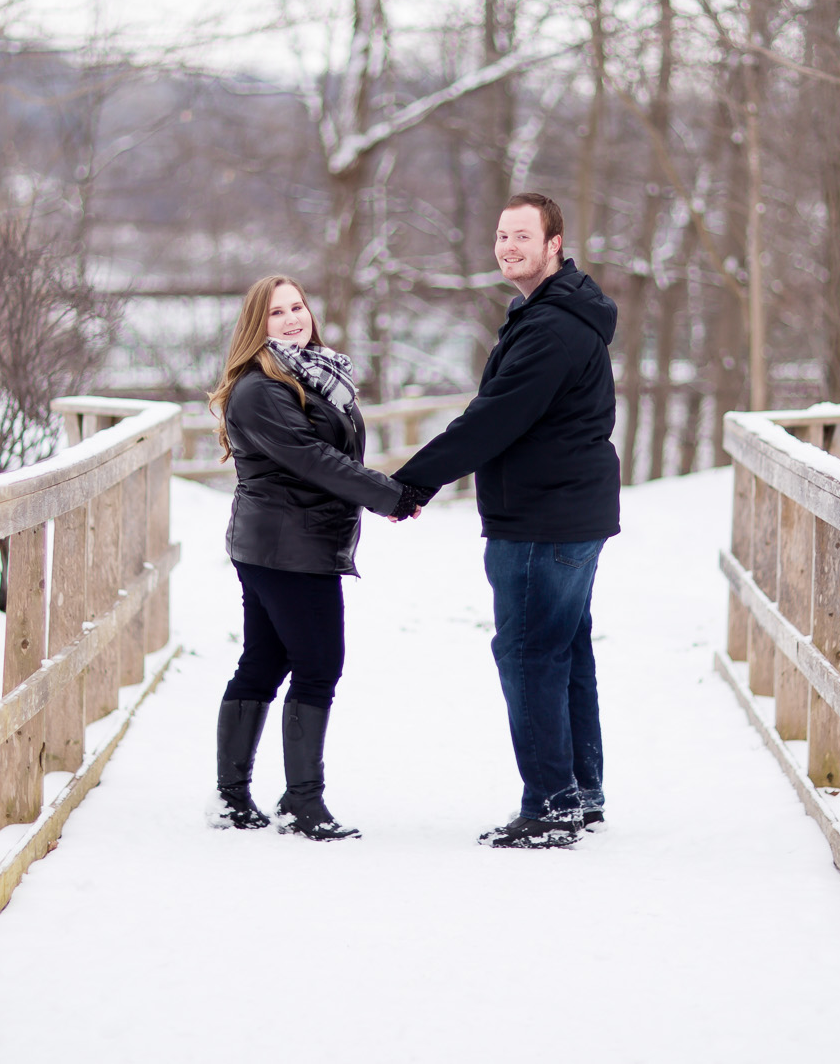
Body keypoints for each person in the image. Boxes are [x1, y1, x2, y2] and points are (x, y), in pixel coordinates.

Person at [394, 192, 618, 849]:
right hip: (567, 511)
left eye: (523, 236)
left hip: (543, 519)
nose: (508, 246)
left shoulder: (550, 327)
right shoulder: (554, 311)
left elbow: (492, 419)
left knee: (528, 655)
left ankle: (550, 805)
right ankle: (580, 788)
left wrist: (414, 480)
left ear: (555, 244)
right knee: (565, 649)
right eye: (501, 235)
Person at [206, 274, 436, 840]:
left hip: (284, 541)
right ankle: (301, 803)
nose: (291, 319)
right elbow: (311, 459)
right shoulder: (262, 388)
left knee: (263, 661)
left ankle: (233, 800)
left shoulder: (308, 373)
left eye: (298, 306)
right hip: (288, 546)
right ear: (255, 326)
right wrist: (389, 496)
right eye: (276, 312)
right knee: (317, 665)